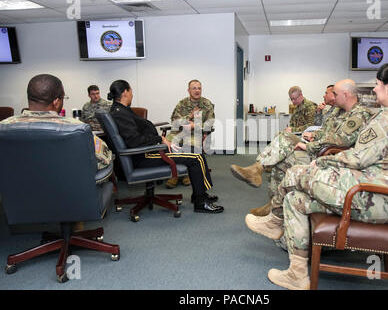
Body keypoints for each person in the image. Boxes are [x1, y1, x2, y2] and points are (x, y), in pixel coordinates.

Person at [245, 63, 388, 290]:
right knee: (294, 200)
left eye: (378, 85)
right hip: (371, 189)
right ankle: (297, 274)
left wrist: (321, 162)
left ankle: (274, 220)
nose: (374, 90)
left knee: (295, 173)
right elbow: (363, 156)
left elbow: (359, 158)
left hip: (378, 198)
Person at [231, 81, 373, 217]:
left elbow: (340, 140)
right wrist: (313, 135)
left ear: (346, 95)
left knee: (281, 157)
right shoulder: (338, 111)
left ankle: (261, 176)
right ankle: (264, 183)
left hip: (327, 156)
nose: (331, 97)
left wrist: (309, 145)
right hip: (317, 146)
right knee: (283, 143)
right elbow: (325, 131)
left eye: (334, 94)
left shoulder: (359, 114)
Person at [0, 74, 113, 231]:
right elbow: (105, 159)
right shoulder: (77, 128)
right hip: (72, 199)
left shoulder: (4, 127)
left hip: (24, 202)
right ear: (56, 101)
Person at [107, 79, 223, 214]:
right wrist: (159, 140)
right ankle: (200, 202)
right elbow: (134, 141)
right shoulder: (120, 113)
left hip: (148, 150)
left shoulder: (120, 110)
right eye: (131, 91)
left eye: (199, 88)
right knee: (196, 157)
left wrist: (160, 139)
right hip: (146, 154)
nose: (132, 95)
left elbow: (135, 136)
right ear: (125, 92)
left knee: (195, 154)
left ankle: (199, 195)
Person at [229, 85, 319, 189]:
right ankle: (261, 166)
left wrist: (292, 130)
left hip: (305, 138)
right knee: (279, 135)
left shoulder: (310, 107)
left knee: (283, 136)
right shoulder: (298, 107)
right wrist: (290, 128)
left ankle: (260, 167)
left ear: (301, 95)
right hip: (298, 135)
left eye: (294, 99)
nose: (293, 101)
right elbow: (294, 123)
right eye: (291, 99)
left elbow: (311, 127)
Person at [165, 79, 215, 188]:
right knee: (168, 143)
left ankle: (186, 173)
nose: (197, 91)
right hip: (179, 131)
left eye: (199, 88)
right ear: (188, 90)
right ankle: (175, 173)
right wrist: (189, 117)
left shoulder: (207, 104)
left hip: (196, 133)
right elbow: (174, 121)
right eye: (194, 88)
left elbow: (209, 123)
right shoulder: (182, 103)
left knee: (190, 144)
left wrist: (194, 125)